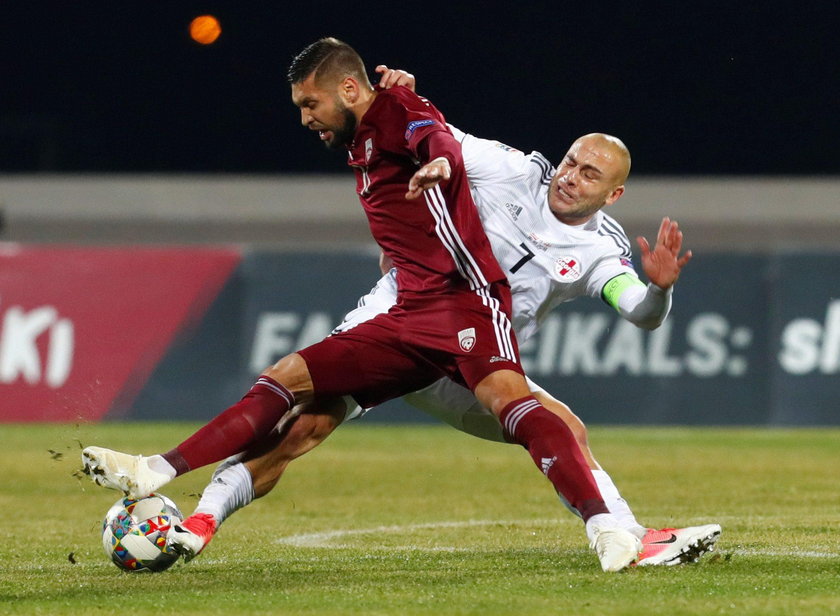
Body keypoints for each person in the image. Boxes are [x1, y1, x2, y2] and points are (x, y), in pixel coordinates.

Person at [80, 38, 642, 572]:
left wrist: (436, 155)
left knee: (541, 419)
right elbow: (429, 139)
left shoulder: (404, 111)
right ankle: (179, 496)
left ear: (348, 89)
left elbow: (437, 138)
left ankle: (617, 532)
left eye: (310, 103)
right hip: (402, 313)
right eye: (571, 162)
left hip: (464, 311)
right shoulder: (397, 138)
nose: (305, 117)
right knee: (297, 405)